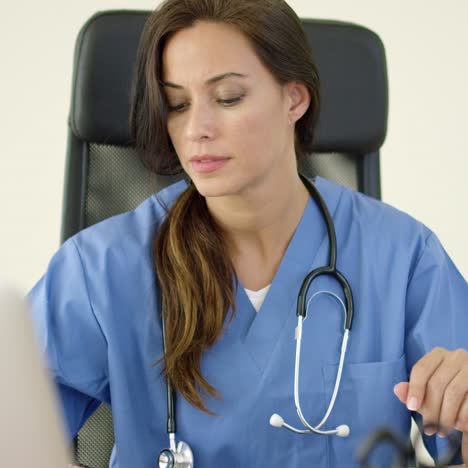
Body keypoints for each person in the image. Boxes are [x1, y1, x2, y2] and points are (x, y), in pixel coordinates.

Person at [28, 0, 468, 466]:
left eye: (228, 98)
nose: (196, 128)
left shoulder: (403, 260)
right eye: (177, 104)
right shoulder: (102, 269)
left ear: (294, 98)